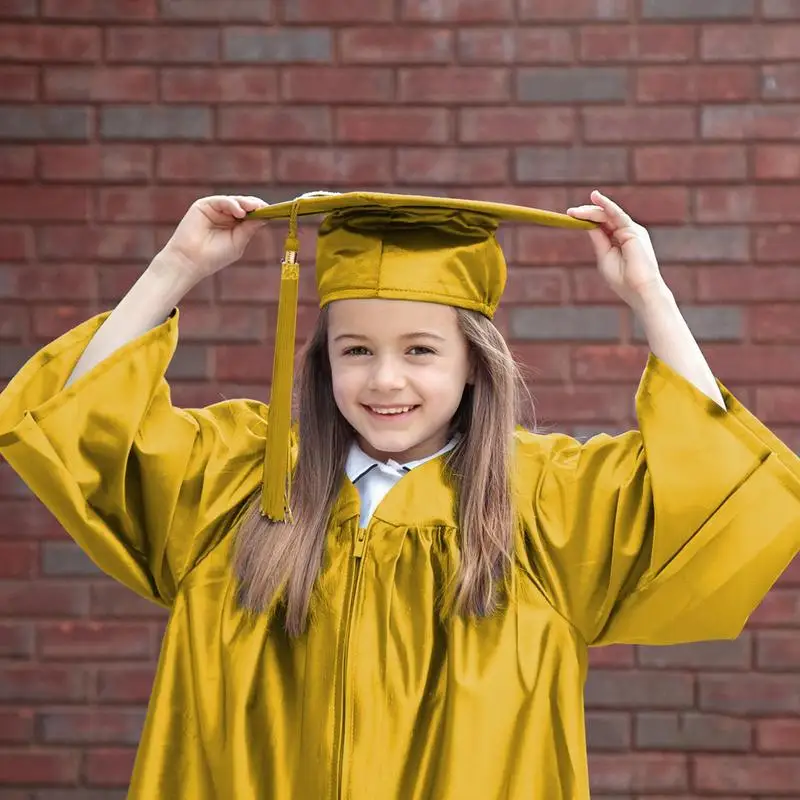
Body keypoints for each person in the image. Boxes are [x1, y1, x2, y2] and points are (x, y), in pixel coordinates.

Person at [0, 189, 798, 799]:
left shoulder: (548, 506)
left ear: (473, 364)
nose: (385, 380)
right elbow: (79, 424)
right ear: (323, 363)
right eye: (356, 350)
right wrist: (174, 268)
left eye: (420, 350)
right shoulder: (237, 482)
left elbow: (723, 482)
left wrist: (650, 297)